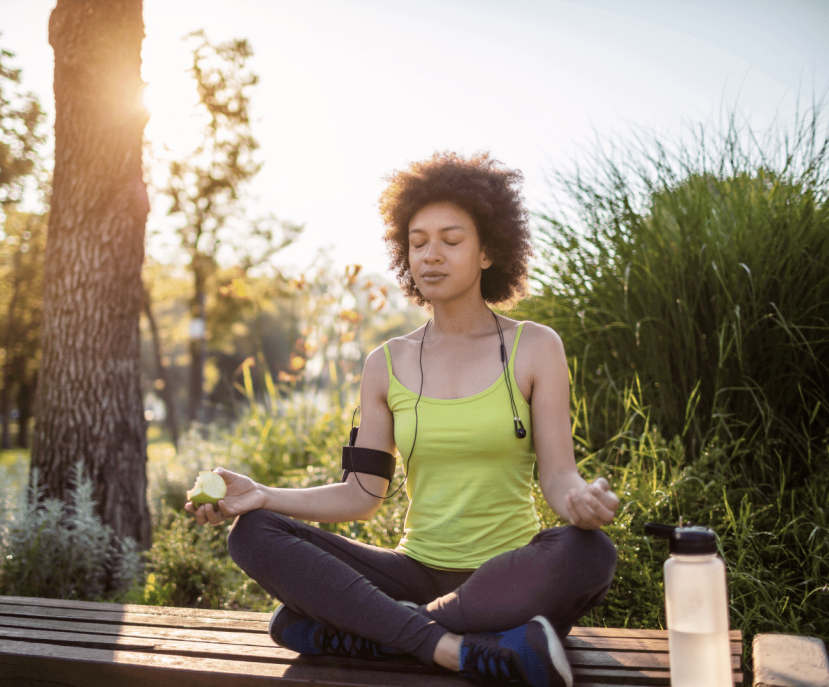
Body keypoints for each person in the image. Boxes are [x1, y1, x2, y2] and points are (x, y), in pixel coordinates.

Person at [186, 151, 620, 687]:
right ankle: (458, 649)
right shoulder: (385, 364)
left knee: (589, 552)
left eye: (451, 241)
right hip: (412, 573)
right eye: (418, 243)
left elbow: (558, 474)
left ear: (488, 252)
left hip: (505, 577)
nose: (431, 256)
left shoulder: (534, 347)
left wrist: (578, 500)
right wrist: (262, 495)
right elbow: (362, 494)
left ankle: (365, 634)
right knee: (252, 534)